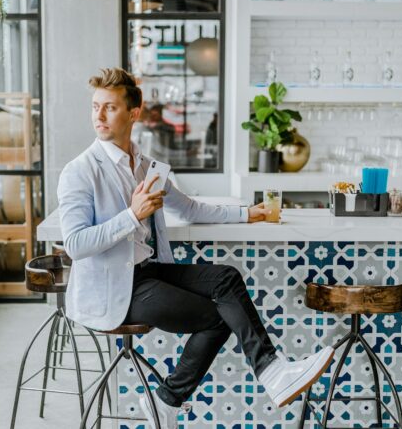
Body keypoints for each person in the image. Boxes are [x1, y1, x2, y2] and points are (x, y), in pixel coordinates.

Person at [57, 68, 334, 428]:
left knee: (226, 280)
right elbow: (76, 244)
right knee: (220, 317)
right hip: (115, 289)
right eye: (95, 107)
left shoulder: (143, 166)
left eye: (109, 107)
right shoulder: (79, 171)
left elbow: (188, 208)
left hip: (146, 270)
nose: (98, 116)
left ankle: (271, 372)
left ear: (134, 113)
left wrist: (247, 214)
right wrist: (132, 215)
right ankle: (172, 399)